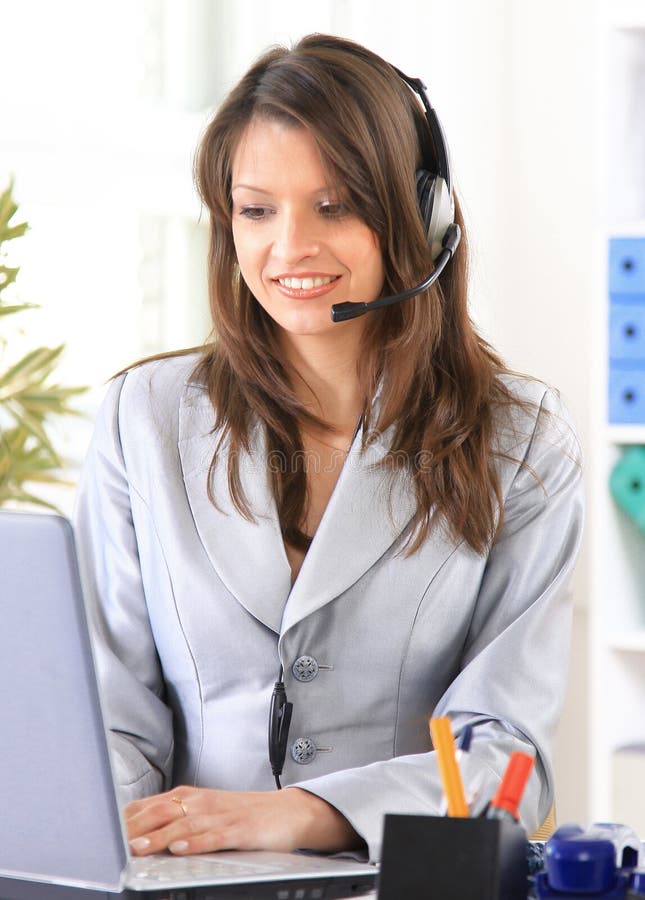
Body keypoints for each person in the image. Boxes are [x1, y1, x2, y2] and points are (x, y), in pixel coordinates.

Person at [73, 33, 584, 864]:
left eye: (336, 204)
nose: (290, 248)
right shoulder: (146, 418)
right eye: (256, 209)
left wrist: (298, 815)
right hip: (170, 879)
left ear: (420, 215)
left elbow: (509, 765)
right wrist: (124, 856)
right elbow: (104, 715)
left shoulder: (519, 443)